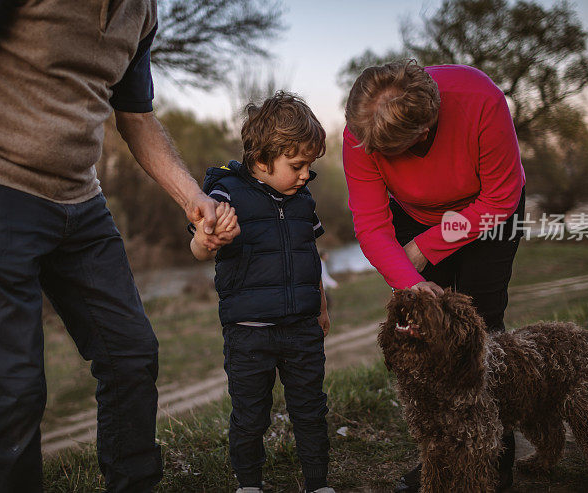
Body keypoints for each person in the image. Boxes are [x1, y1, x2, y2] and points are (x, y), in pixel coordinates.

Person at [0, 0, 234, 491]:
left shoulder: (143, 9)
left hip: (81, 202)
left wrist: (193, 198)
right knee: (13, 391)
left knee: (131, 356)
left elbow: (137, 117)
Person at [342, 60, 526, 492]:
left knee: (481, 333)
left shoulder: (480, 100)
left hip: (490, 210)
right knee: (426, 339)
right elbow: (371, 226)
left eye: (384, 151)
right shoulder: (362, 130)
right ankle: (441, 462)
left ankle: (493, 461)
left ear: (422, 132)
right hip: (412, 215)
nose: (369, 153)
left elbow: (501, 196)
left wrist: (426, 247)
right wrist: (410, 280)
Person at [189, 92, 335, 493]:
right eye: (297, 165)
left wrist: (320, 307)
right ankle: (249, 483)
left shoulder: (303, 200)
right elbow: (198, 247)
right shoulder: (225, 194)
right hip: (249, 333)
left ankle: (317, 482)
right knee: (251, 414)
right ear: (262, 159)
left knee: (310, 409)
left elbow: (311, 255)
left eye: (310, 166)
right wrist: (209, 239)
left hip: (302, 328)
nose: (306, 174)